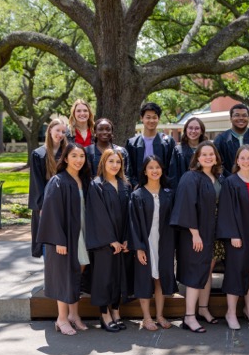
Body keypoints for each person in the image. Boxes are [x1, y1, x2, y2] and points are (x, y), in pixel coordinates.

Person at [37, 142, 92, 336]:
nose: (78, 160)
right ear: (66, 158)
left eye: (82, 156)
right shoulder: (58, 181)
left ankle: (74, 315)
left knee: (78, 272)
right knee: (64, 275)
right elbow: (51, 212)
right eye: (74, 156)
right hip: (66, 236)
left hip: (82, 233)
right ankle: (61, 318)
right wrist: (58, 239)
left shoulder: (84, 180)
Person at [171, 141, 224, 333]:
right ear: (198, 158)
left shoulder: (218, 178)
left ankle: (203, 309)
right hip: (196, 234)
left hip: (213, 233)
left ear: (216, 157)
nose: (208, 157)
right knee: (195, 272)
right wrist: (195, 234)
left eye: (212, 154)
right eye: (204, 154)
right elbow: (186, 205)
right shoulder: (191, 177)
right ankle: (189, 317)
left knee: (207, 271)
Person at [217, 145, 249, 330]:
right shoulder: (231, 182)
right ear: (237, 160)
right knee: (235, 272)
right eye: (243, 158)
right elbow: (226, 210)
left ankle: (248, 308)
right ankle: (230, 312)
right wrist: (232, 234)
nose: (246, 161)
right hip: (239, 235)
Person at [86, 149, 132, 333]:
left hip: (123, 239)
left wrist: (127, 238)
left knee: (119, 277)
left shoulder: (125, 184)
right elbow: (98, 215)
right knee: (104, 278)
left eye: (118, 162)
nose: (115, 165)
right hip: (105, 242)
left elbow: (130, 214)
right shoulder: (96, 185)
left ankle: (116, 311)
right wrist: (111, 240)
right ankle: (104, 314)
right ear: (103, 163)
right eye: (111, 161)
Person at [129, 155, 177, 331]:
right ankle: (146, 317)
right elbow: (133, 223)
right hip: (145, 243)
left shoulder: (168, 194)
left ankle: (159, 315)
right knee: (144, 279)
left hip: (163, 243)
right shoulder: (137, 195)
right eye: (151, 167)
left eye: (157, 167)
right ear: (145, 171)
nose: (155, 170)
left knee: (160, 280)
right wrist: (139, 247)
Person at [29, 119, 67, 258]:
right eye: (57, 130)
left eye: (63, 131)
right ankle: (49, 270)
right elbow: (36, 183)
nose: (60, 134)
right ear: (49, 130)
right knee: (48, 237)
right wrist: (42, 206)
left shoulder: (67, 153)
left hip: (64, 201)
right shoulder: (39, 154)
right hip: (45, 203)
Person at [126, 102, 176, 188]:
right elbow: (129, 169)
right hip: (139, 188)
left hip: (162, 188)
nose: (151, 121)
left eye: (154, 117)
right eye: (148, 117)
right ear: (142, 118)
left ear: (159, 118)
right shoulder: (132, 143)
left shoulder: (167, 142)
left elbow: (172, 168)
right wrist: (135, 185)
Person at [169, 117, 207, 189]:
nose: (193, 131)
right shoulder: (178, 151)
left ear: (202, 131)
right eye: (190, 128)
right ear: (186, 130)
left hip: (204, 190)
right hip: (184, 191)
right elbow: (173, 177)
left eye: (197, 128)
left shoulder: (207, 149)